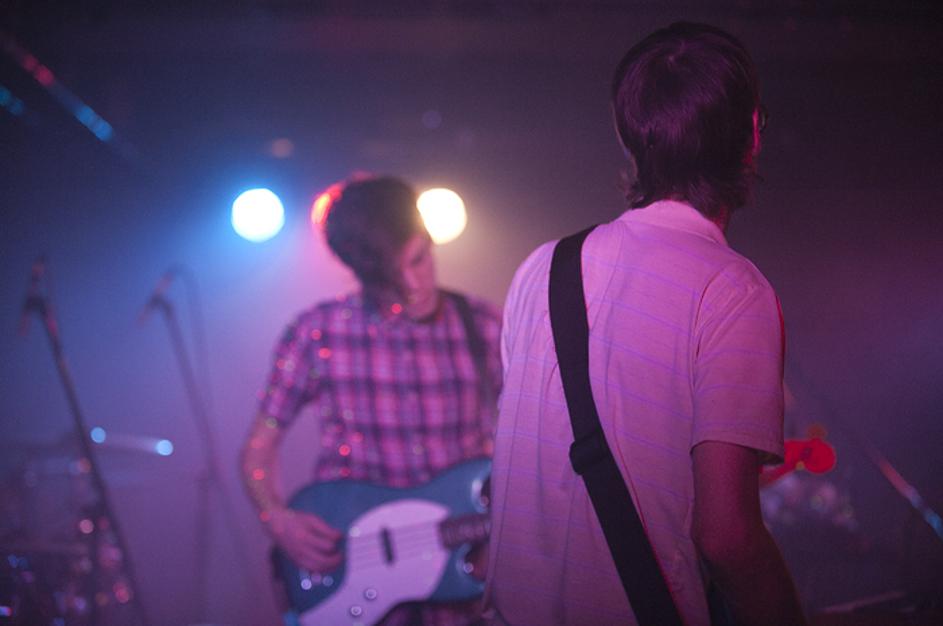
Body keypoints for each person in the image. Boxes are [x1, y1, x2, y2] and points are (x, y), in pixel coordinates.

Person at [485, 22, 805, 626]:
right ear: (752, 132)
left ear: (629, 137)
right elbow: (727, 538)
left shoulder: (542, 267)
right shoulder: (733, 290)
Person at [240, 175, 501, 625]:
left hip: (465, 580)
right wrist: (277, 519)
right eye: (392, 278)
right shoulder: (316, 332)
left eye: (419, 259)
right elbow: (257, 451)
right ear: (361, 272)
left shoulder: (484, 325)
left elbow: (536, 439)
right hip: (353, 571)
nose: (414, 283)